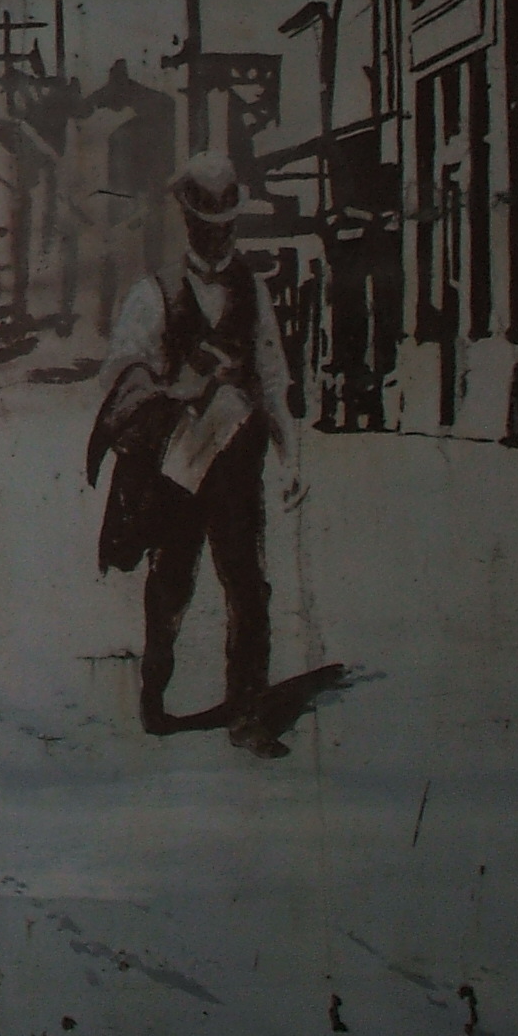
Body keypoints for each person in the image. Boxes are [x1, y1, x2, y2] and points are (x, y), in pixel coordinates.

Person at [86, 152, 309, 756]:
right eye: (206, 225)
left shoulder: (251, 290)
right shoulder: (154, 292)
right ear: (187, 222)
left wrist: (290, 456)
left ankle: (248, 713)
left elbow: (272, 377)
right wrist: (174, 383)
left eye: (225, 226)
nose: (217, 236)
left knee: (248, 585)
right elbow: (118, 372)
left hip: (236, 458)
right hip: (176, 463)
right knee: (171, 582)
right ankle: (155, 695)